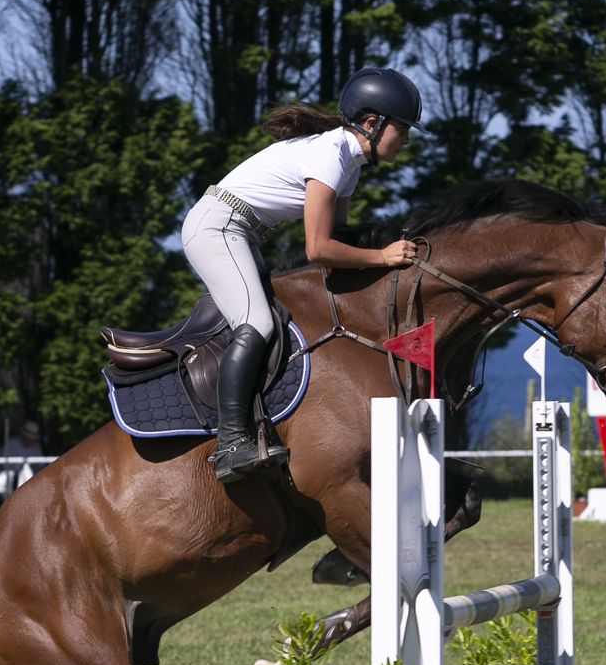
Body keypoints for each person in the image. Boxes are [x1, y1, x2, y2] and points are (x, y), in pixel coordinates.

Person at [181, 66, 425, 483]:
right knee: (256, 322)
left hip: (239, 231)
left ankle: (261, 421)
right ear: (372, 123)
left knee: (277, 318)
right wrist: (383, 257)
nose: (406, 139)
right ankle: (230, 445)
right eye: (402, 129)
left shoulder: (348, 164)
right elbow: (319, 249)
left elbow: (341, 240)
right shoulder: (330, 156)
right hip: (216, 227)